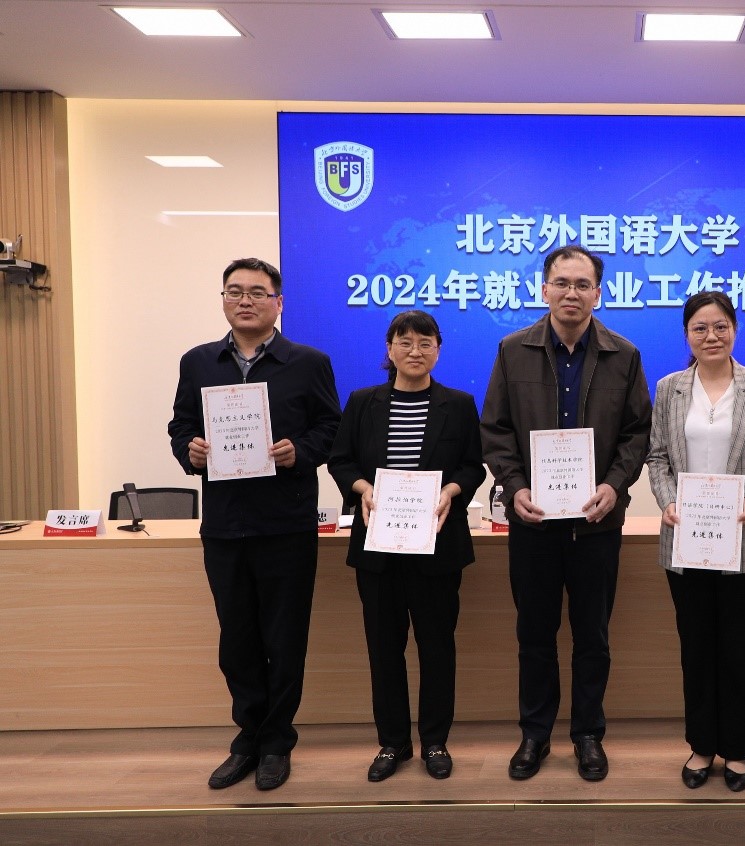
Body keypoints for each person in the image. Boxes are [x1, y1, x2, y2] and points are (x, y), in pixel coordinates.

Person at [480, 244, 652, 782]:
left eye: (582, 284)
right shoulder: (513, 350)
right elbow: (495, 429)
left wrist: (614, 486)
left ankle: (587, 734)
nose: (571, 293)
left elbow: (637, 433)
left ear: (598, 293)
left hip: (596, 523)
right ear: (544, 289)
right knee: (534, 635)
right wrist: (514, 487)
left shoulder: (624, 354)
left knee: (592, 636)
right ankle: (534, 734)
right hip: (532, 522)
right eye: (561, 282)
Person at [168, 257, 341, 791]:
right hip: (225, 525)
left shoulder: (307, 362)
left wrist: (299, 452)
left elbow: (331, 428)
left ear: (278, 303)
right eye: (234, 291)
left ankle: (276, 742)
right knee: (237, 638)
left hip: (286, 524)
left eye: (257, 292)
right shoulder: (199, 361)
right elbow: (180, 425)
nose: (245, 300)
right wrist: (190, 450)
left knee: (284, 638)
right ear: (223, 299)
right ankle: (247, 736)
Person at [327, 311, 485, 783]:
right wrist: (362, 488)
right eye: (405, 342)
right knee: (384, 649)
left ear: (438, 349)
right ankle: (393, 743)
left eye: (425, 343)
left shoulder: (459, 404)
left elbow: (472, 466)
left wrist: (451, 492)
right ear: (389, 349)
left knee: (437, 648)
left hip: (437, 546)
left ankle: (435, 741)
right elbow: (340, 460)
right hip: (378, 548)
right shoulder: (363, 402)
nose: (415, 351)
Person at [645, 291, 745, 793]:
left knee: (737, 647)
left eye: (720, 326)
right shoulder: (669, 388)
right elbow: (657, 457)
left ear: (735, 329)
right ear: (687, 335)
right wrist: (667, 500)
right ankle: (701, 745)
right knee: (696, 646)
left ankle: (738, 748)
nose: (711, 336)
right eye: (700, 328)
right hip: (686, 540)